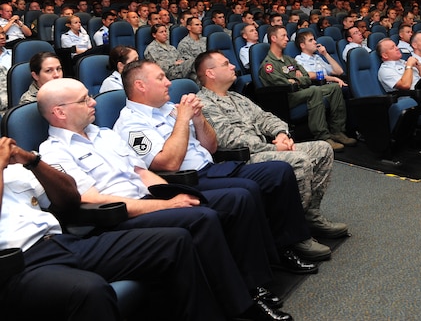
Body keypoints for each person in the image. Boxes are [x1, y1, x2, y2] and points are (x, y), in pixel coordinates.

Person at [34, 79, 293, 321]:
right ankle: (241, 304)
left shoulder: (105, 134)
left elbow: (143, 173)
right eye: (84, 100)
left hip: (147, 201)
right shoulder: (54, 152)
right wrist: (166, 204)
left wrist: (174, 195)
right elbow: (93, 199)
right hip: (117, 217)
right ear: (60, 112)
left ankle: (252, 285)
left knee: (231, 200)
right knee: (202, 218)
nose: (94, 102)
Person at [113, 59, 331, 265]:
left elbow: (210, 147)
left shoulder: (169, 108)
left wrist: (198, 119)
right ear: (140, 85)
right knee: (246, 191)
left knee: (279, 171)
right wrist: (182, 119)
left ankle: (287, 240)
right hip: (186, 179)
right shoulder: (131, 124)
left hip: (212, 166)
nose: (169, 82)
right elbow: (169, 164)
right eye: (161, 78)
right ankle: (271, 256)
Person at [0, 136, 229, 321]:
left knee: (175, 242)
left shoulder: (15, 169)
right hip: (18, 265)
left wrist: (32, 161)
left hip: (61, 243)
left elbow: (69, 199)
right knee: (91, 290)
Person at [195, 50, 349, 239]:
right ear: (210, 73)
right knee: (298, 160)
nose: (233, 66)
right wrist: (274, 148)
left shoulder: (236, 97)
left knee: (322, 149)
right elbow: (230, 140)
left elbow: (264, 117)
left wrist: (281, 133)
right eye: (226, 64)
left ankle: (309, 216)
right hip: (239, 160)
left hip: (263, 150)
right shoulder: (204, 103)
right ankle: (291, 230)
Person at [259, 25, 355, 149]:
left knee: (335, 88)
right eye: (283, 36)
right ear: (273, 38)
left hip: (300, 91)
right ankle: (323, 136)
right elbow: (285, 85)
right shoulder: (268, 65)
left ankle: (337, 131)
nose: (287, 39)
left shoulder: (288, 59)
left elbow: (305, 76)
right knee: (314, 90)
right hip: (285, 98)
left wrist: (296, 79)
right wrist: (297, 79)